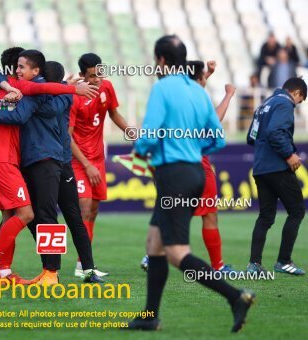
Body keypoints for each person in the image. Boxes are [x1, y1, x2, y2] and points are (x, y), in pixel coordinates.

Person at [126, 35, 254, 333]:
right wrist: (194, 152)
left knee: (176, 252)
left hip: (173, 176)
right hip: (195, 172)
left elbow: (150, 132)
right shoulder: (198, 92)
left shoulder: (162, 88)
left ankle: (236, 297)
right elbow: (218, 138)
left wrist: (141, 151)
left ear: (160, 60)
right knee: (154, 245)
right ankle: (149, 317)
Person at [0, 47, 95, 284]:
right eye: (17, 67)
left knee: (41, 216)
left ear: (37, 72)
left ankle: (51, 272)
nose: (19, 71)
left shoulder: (32, 93)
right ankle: (4, 268)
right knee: (40, 215)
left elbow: (22, 111)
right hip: (50, 160)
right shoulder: (22, 90)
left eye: (23, 67)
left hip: (44, 161)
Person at [141, 60, 238, 273]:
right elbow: (214, 121)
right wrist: (229, 95)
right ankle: (217, 266)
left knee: (168, 213)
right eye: (204, 77)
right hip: (196, 168)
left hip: (171, 167)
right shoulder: (195, 100)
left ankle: (151, 256)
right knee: (209, 216)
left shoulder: (173, 100)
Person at [69, 53, 130, 278]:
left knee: (93, 211)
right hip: (79, 161)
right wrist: (86, 165)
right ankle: (87, 266)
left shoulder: (107, 87)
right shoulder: (75, 97)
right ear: (82, 75)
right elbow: (68, 137)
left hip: (97, 160)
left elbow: (113, 113)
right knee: (84, 209)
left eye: (99, 74)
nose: (97, 80)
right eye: (92, 76)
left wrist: (130, 132)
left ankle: (81, 265)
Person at [246, 77, 306, 275]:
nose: (298, 104)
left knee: (266, 216)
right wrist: (288, 154)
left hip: (260, 167)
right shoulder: (284, 103)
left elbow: (251, 137)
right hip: (277, 167)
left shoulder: (264, 105)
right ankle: (283, 261)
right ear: (296, 93)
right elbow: (274, 131)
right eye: (301, 99)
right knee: (297, 210)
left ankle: (254, 264)